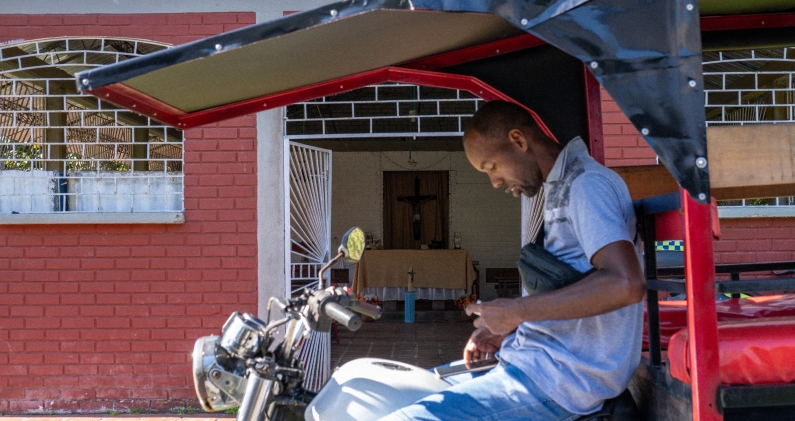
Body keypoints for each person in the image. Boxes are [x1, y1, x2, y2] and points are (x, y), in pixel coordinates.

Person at [378, 101, 646, 421]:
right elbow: (575, 283)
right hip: (535, 363)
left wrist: (517, 312)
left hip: (559, 382)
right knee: (395, 395)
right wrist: (512, 327)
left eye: (491, 166)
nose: (495, 181)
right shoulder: (563, 186)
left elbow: (625, 283)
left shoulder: (585, 185)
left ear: (519, 140)